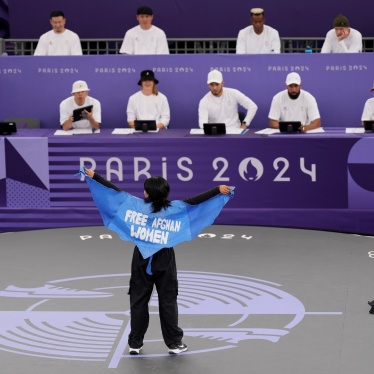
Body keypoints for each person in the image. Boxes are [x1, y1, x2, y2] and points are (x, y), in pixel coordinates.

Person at [82, 167, 233, 354]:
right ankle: (174, 343)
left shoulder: (133, 205)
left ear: (146, 193)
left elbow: (113, 192)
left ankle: (135, 343)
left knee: (138, 302)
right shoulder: (176, 209)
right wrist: (217, 190)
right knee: (168, 301)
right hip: (165, 259)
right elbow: (196, 202)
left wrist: (95, 177)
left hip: (141, 260)